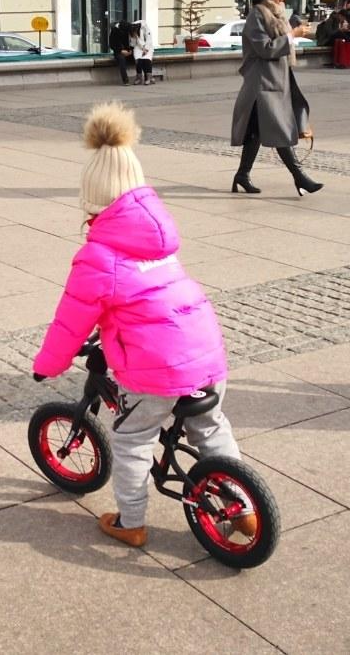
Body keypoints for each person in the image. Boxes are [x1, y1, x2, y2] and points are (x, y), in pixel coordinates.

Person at [32, 102, 252, 547]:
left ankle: (130, 523)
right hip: (206, 353)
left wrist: (48, 365)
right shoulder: (157, 236)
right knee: (211, 427)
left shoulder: (98, 255)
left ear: (91, 201)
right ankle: (242, 507)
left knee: (132, 439)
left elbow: (70, 322)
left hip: (156, 371)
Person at [230, 0, 323, 196]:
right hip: (261, 85)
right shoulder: (257, 15)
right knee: (279, 129)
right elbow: (265, 48)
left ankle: (242, 175)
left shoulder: (277, 14)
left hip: (274, 82)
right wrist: (292, 35)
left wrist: (292, 33)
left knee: (256, 133)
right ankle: (300, 177)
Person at [108, 20, 133, 86]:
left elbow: (130, 42)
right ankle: (125, 80)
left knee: (140, 57)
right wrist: (121, 51)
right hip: (118, 52)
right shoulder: (114, 31)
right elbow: (112, 45)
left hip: (127, 50)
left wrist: (130, 51)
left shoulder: (127, 30)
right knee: (122, 60)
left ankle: (144, 76)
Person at [129, 20, 154, 85]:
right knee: (138, 61)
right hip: (138, 48)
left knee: (146, 60)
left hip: (147, 47)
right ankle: (139, 78)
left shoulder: (146, 29)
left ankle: (149, 78)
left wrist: (146, 49)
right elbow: (133, 44)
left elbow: (149, 40)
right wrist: (134, 37)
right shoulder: (132, 31)